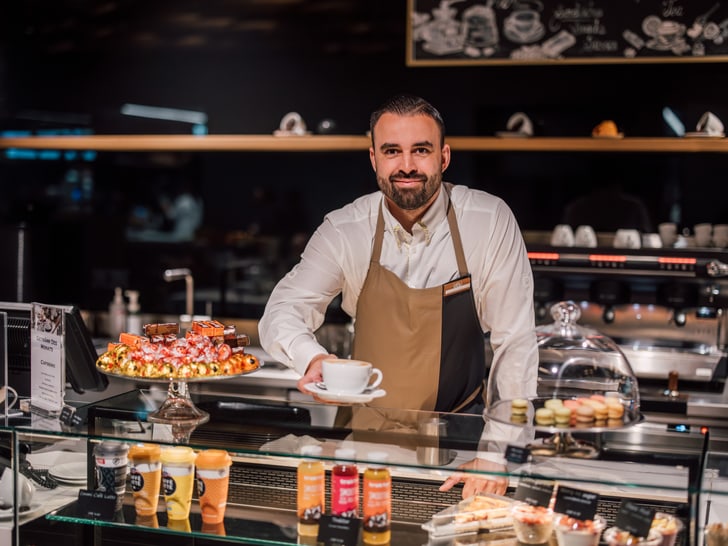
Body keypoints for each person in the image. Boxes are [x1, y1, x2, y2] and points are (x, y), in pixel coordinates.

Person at [259, 94, 538, 497]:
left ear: (444, 157)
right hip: (362, 444)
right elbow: (283, 311)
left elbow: (515, 342)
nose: (406, 165)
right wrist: (313, 358)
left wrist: (496, 452)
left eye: (420, 150)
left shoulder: (489, 220)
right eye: (392, 151)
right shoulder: (344, 228)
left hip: (461, 447)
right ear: (374, 159)